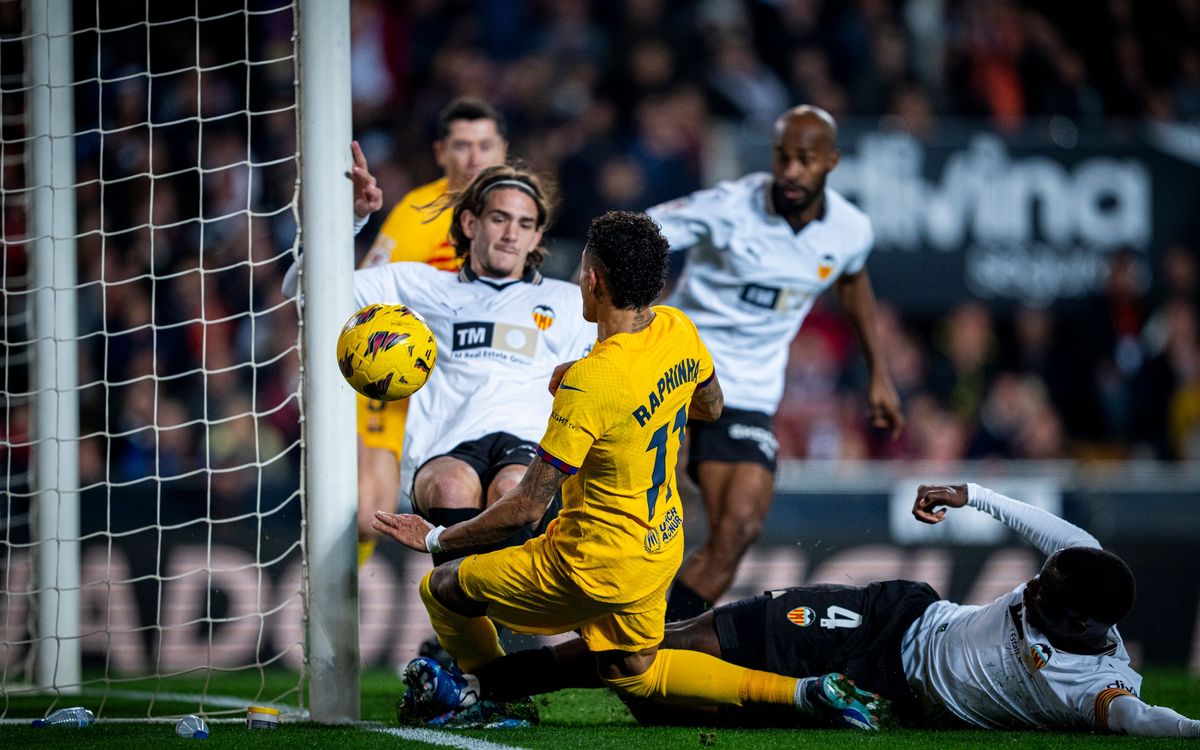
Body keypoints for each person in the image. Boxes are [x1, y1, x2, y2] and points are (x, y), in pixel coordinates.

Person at [372, 210, 890, 733]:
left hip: (590, 564)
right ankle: (804, 692)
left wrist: (437, 537)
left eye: (583, 269)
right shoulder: (676, 328)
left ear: (593, 281)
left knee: (443, 587)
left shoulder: (594, 381)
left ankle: (489, 698)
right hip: (659, 545)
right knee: (633, 670)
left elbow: (527, 506)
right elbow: (711, 404)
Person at [411, 483, 1200, 738]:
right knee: (682, 639)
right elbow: (1039, 525)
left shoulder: (1094, 688)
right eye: (1038, 580)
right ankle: (496, 686)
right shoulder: (1078, 567)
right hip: (891, 621)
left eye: (1044, 597)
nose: (1029, 589)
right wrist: (967, 495)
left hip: (887, 697)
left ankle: (500, 690)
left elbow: (1146, 720)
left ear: (1084, 626)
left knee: (660, 708)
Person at [644, 104, 904, 621]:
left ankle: (660, 640)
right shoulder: (729, 206)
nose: (790, 171)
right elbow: (639, 233)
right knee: (651, 519)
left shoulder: (850, 230)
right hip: (676, 370)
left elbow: (853, 282)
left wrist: (879, 372)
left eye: (805, 160)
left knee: (739, 529)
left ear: (831, 161)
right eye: (783, 157)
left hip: (748, 392)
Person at [348, 98, 508, 565]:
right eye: (462, 145)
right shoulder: (419, 212)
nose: (474, 157)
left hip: (479, 380)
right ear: (441, 152)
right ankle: (338, 598)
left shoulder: (515, 213)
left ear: (503, 149)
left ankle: (472, 600)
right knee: (368, 514)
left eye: (485, 145)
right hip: (405, 376)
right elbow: (364, 294)